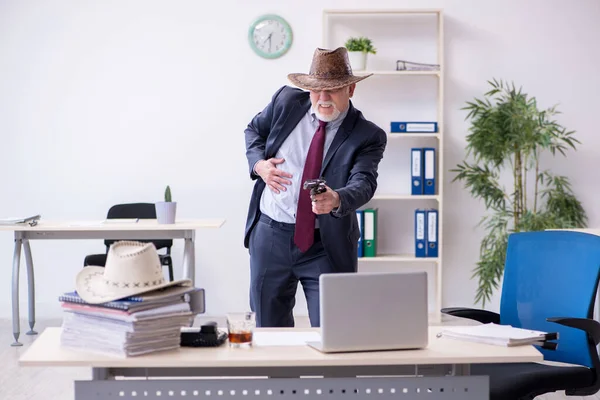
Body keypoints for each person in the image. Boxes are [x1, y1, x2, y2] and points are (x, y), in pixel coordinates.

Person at [243, 47, 387, 328]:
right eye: (316, 90)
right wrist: (260, 165)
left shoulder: (367, 135)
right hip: (270, 235)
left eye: (332, 90)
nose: (322, 98)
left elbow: (364, 182)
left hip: (326, 244)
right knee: (270, 334)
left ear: (351, 89)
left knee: (335, 332)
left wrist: (336, 198)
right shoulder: (285, 102)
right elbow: (253, 131)